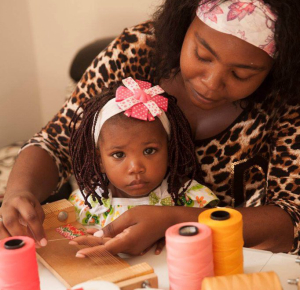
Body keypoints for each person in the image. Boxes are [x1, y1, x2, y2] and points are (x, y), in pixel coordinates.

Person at [1, 0, 299, 256]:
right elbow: (56, 141)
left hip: (227, 259)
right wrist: (19, 192)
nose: (210, 82)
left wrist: (177, 221)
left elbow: (292, 217)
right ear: (183, 26)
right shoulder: (137, 51)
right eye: (202, 56)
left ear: (276, 69)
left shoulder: (289, 97)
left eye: (240, 74)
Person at [68, 78, 218, 237]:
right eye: (119, 155)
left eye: (149, 151)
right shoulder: (87, 205)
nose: (135, 167)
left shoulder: (189, 198)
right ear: (100, 161)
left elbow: (218, 233)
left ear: (169, 151)